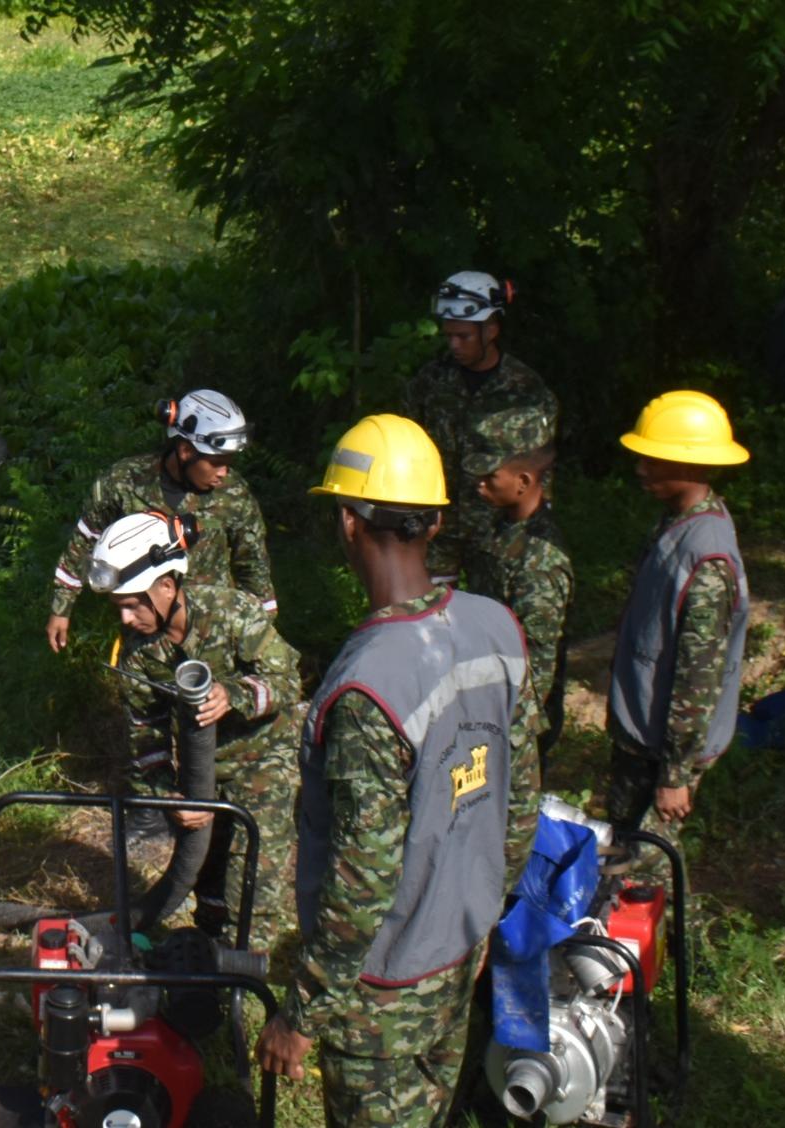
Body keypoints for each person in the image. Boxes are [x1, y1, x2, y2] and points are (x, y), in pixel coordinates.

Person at [257, 414, 530, 1126]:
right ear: (435, 521)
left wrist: (300, 1012)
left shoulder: (367, 683)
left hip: (382, 983)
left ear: (347, 521)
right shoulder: (494, 626)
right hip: (463, 947)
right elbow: (519, 796)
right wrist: (482, 908)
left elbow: (364, 875)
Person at [88, 510, 307, 937]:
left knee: (252, 896)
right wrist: (170, 796)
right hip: (200, 775)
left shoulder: (232, 613)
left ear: (167, 587)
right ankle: (205, 976)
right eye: (119, 607)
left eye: (133, 604)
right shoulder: (139, 654)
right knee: (209, 890)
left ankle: (247, 991)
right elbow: (145, 739)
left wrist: (235, 695)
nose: (126, 619)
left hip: (264, 766)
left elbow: (288, 681)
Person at [605, 390, 749, 882]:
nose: (640, 466)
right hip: (643, 737)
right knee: (621, 853)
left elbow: (698, 680)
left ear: (687, 463)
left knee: (643, 873)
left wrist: (675, 777)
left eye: (651, 457)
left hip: (664, 753)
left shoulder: (707, 561)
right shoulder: (676, 522)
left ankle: (652, 955)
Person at [46, 389, 277, 653]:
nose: (224, 473)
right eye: (216, 463)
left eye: (228, 463)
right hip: (144, 635)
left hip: (214, 635)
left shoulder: (234, 496)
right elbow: (85, 540)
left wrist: (261, 632)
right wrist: (61, 609)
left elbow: (253, 565)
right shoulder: (124, 482)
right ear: (186, 450)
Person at [400, 271, 558, 583]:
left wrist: (532, 532)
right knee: (432, 622)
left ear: (491, 330)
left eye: (464, 336)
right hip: (437, 530)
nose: (455, 345)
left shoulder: (526, 390)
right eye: (449, 336)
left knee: (490, 622)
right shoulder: (430, 382)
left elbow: (541, 467)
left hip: (496, 536)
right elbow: (407, 446)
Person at [467, 424, 572, 872]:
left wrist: (514, 732)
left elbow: (539, 661)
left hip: (515, 716)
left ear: (524, 483)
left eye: (491, 478)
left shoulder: (541, 561)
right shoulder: (501, 528)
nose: (480, 485)